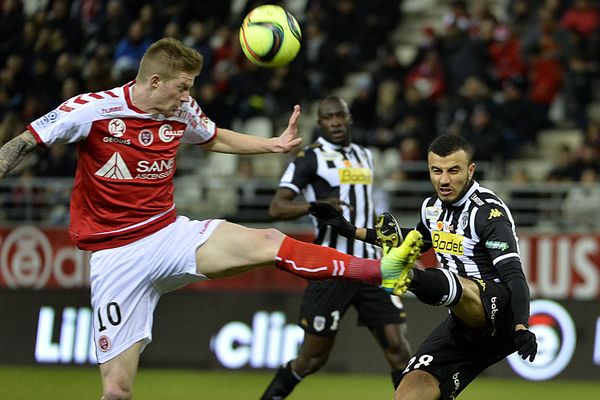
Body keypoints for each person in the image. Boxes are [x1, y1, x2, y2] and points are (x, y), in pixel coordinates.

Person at [0, 38, 418, 400]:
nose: (187, 98)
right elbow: (22, 144)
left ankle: (383, 268)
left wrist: (272, 146)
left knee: (269, 241)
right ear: (154, 82)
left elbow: (214, 135)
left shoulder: (182, 111)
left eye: (191, 89)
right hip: (114, 257)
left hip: (168, 235)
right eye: (182, 88)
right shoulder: (90, 110)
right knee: (117, 391)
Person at [309, 134, 538, 400]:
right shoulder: (431, 208)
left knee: (447, 278)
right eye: (436, 171)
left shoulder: (487, 213)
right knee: (410, 390)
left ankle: (406, 276)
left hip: (498, 311)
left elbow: (513, 275)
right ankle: (407, 275)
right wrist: (351, 230)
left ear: (470, 170)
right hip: (462, 321)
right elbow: (415, 241)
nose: (444, 180)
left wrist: (522, 325)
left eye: (453, 170)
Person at [260, 96, 411, 399]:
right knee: (312, 359)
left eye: (340, 115)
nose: (335, 122)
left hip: (372, 266)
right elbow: (277, 207)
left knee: (398, 349)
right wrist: (315, 206)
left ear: (349, 118)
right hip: (331, 267)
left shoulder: (365, 155)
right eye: (328, 117)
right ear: (320, 123)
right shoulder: (310, 158)